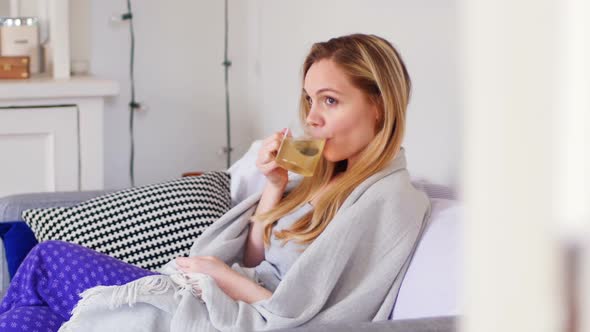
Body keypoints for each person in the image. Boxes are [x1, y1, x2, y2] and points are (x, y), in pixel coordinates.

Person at [0, 33, 430, 332]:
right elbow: (259, 256)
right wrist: (275, 187)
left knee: (47, 261)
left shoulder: (390, 199)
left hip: (227, 313)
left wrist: (222, 276)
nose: (312, 117)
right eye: (310, 99)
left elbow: (311, 318)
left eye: (330, 101)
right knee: (33, 308)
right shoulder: (323, 173)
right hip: (219, 297)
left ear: (379, 105)